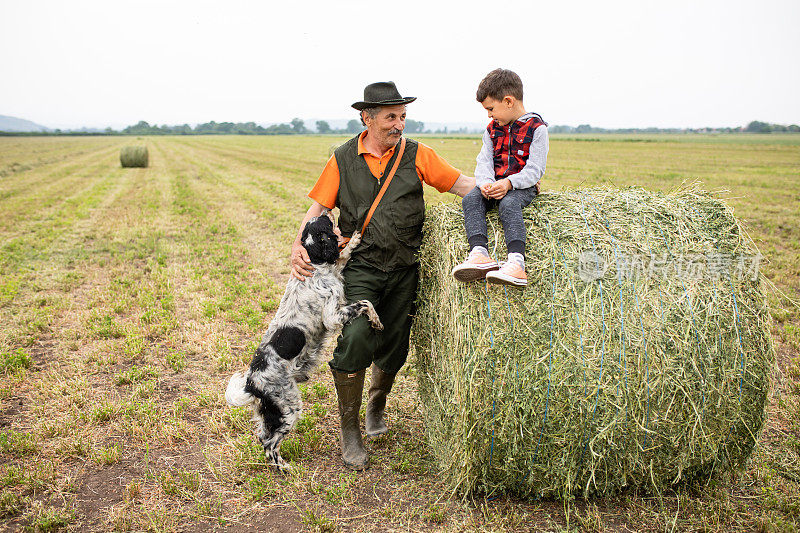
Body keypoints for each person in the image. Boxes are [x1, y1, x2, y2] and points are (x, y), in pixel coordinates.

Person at [290, 81, 475, 470]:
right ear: (367, 118)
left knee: (395, 343)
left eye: (403, 116)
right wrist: (297, 245)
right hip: (362, 267)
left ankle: (377, 403)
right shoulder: (342, 158)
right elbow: (317, 209)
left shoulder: (418, 154)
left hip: (407, 266)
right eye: (391, 117)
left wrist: (508, 190)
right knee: (356, 336)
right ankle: (350, 429)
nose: (399, 124)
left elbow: (462, 186)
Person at [451, 68, 549, 287]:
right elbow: (484, 160)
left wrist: (509, 183)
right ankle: (479, 254)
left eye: (490, 109)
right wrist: (486, 183)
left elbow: (535, 170)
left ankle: (516, 263)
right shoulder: (491, 130)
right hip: (495, 183)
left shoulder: (537, 129)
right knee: (471, 199)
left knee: (509, 204)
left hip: (521, 186)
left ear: (508, 101)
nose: (489, 115)